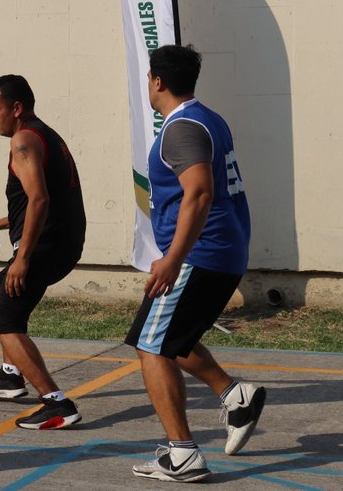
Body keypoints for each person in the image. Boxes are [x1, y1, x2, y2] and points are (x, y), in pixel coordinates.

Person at [126, 45, 263, 483]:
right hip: (221, 251)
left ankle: (182, 454)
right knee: (173, 339)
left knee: (151, 346)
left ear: (158, 81)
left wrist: (172, 259)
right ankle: (233, 393)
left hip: (199, 254)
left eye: (149, 79)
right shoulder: (209, 118)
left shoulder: (181, 128)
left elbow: (200, 193)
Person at [0, 74, 87, 430]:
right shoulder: (42, 134)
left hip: (44, 248)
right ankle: (10, 375)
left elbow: (39, 199)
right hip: (58, 242)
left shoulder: (23, 141)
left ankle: (56, 402)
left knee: (7, 325)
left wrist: (22, 259)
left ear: (16, 108)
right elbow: (36, 203)